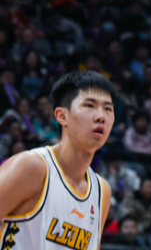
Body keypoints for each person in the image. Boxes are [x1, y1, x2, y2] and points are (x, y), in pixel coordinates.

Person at [0, 70, 115, 249]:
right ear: (62, 116)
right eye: (89, 105)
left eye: (108, 109)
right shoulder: (32, 167)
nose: (101, 117)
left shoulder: (102, 192)